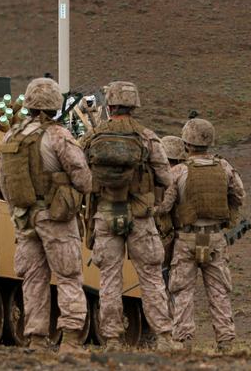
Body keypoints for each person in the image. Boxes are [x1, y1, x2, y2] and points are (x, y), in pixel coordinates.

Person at [79, 81, 182, 352]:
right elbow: (166, 177)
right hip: (141, 217)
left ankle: (112, 339)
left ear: (109, 106)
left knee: (109, 279)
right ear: (134, 105)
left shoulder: (92, 137)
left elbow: (78, 175)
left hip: (105, 216)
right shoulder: (147, 137)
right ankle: (165, 338)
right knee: (150, 277)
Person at [0, 78, 92, 354]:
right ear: (54, 105)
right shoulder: (58, 135)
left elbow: (3, 182)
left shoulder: (10, 136)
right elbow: (84, 179)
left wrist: (16, 213)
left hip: (25, 218)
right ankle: (71, 340)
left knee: (34, 279)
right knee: (69, 276)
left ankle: (37, 339)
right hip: (57, 217)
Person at [155, 118, 245, 353]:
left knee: (183, 292)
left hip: (186, 239)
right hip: (215, 238)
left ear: (187, 144)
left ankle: (183, 341)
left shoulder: (179, 171)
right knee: (219, 292)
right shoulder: (224, 167)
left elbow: (164, 206)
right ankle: (225, 341)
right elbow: (239, 196)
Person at [156, 136, 189, 268]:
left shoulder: (174, 174)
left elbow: (164, 206)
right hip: (206, 236)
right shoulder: (188, 171)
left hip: (179, 237)